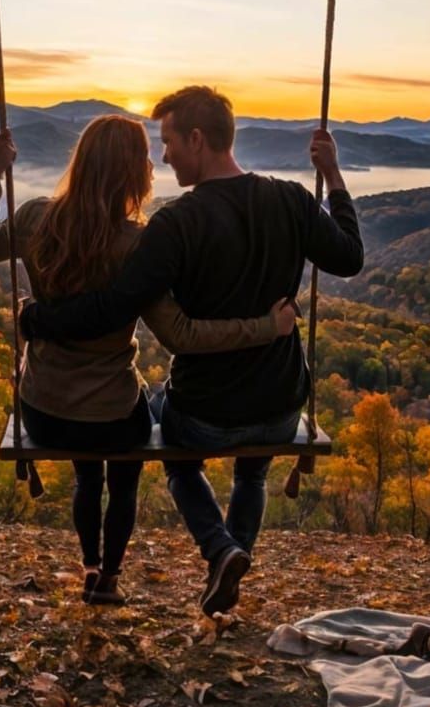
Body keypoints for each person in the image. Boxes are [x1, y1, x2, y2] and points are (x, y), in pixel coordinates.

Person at [19, 85, 364, 619]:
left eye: (170, 142)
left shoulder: (176, 223)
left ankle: (220, 550)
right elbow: (349, 257)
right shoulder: (294, 199)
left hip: (205, 413)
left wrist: (38, 319)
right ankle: (232, 557)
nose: (164, 157)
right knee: (252, 472)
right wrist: (334, 175)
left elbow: (114, 306)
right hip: (279, 406)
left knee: (172, 446)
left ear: (197, 139)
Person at [0, 115, 297, 606]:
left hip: (44, 410)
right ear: (130, 172)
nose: (152, 165)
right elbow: (181, 334)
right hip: (113, 415)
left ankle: (90, 565)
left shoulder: (36, 218)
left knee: (87, 475)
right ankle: (109, 577)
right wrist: (266, 327)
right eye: (144, 158)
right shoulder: (138, 244)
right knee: (126, 472)